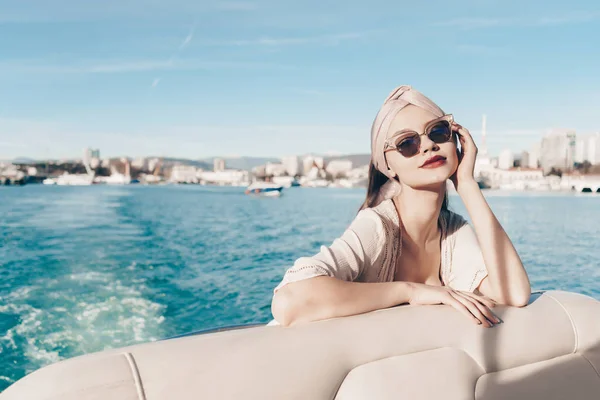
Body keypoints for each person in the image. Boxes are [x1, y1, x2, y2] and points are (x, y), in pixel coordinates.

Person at [271, 85, 531, 328]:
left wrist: (467, 184)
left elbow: (514, 294)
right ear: (388, 167)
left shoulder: (452, 232)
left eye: (438, 131)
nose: (428, 145)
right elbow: (289, 301)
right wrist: (409, 291)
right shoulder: (377, 225)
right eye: (407, 143)